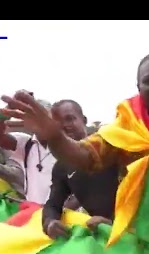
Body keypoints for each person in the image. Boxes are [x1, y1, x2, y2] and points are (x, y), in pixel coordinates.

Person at [0, 51, 149, 248]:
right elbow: (84, 157)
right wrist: (55, 137)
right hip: (135, 246)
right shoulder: (125, 129)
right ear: (138, 87)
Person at [42, 99, 119, 240]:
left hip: (135, 230)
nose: (65, 126)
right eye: (58, 123)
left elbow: (142, 192)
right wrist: (50, 223)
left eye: (70, 119)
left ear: (83, 120)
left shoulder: (111, 146)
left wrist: (115, 223)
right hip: (102, 235)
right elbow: (53, 204)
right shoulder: (62, 166)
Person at [0, 96, 56, 204]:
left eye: (43, 117)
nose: (39, 122)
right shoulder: (26, 144)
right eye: (33, 117)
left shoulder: (66, 146)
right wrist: (7, 110)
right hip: (33, 213)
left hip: (64, 214)